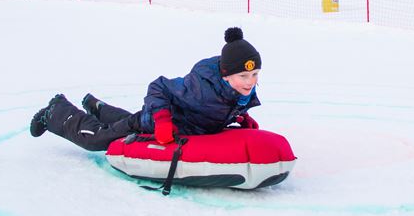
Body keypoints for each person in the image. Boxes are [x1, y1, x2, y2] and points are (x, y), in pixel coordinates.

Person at [29, 27, 262, 152]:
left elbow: (220, 105)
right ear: (225, 74)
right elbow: (159, 87)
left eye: (254, 75)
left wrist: (241, 115)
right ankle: (55, 112)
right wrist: (161, 120)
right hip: (158, 123)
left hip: (185, 127)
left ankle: (96, 106)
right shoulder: (200, 87)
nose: (250, 81)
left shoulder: (238, 91)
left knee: (127, 119)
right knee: (97, 139)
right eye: (243, 76)